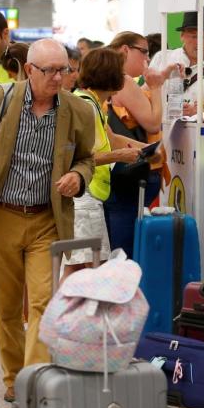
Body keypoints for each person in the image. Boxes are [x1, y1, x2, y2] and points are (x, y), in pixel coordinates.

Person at [0, 39, 96, 401]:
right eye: (49, 71)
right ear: (30, 70)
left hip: (47, 219)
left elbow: (87, 159)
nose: (58, 78)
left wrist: (79, 177)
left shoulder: (78, 110)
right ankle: (14, 379)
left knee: (44, 302)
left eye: (64, 69)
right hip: (1, 216)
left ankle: (35, 379)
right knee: (6, 307)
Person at [64, 47, 142, 273]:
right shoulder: (86, 106)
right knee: (98, 271)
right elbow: (83, 157)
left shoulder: (90, 102)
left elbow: (111, 138)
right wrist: (121, 155)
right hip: (85, 197)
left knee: (76, 268)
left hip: (83, 197)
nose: (125, 76)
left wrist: (150, 149)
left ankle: (55, 309)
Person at [104, 31, 166, 257]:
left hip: (114, 171)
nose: (147, 59)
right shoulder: (123, 80)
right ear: (125, 50)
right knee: (126, 250)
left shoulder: (107, 81)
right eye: (144, 52)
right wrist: (157, 88)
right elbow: (152, 123)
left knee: (115, 247)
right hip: (133, 170)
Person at [150, 8, 204, 116]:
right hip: (164, 129)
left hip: (202, 131)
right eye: (193, 36)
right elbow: (145, 96)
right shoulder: (162, 58)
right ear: (182, 36)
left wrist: (201, 112)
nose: (199, 42)